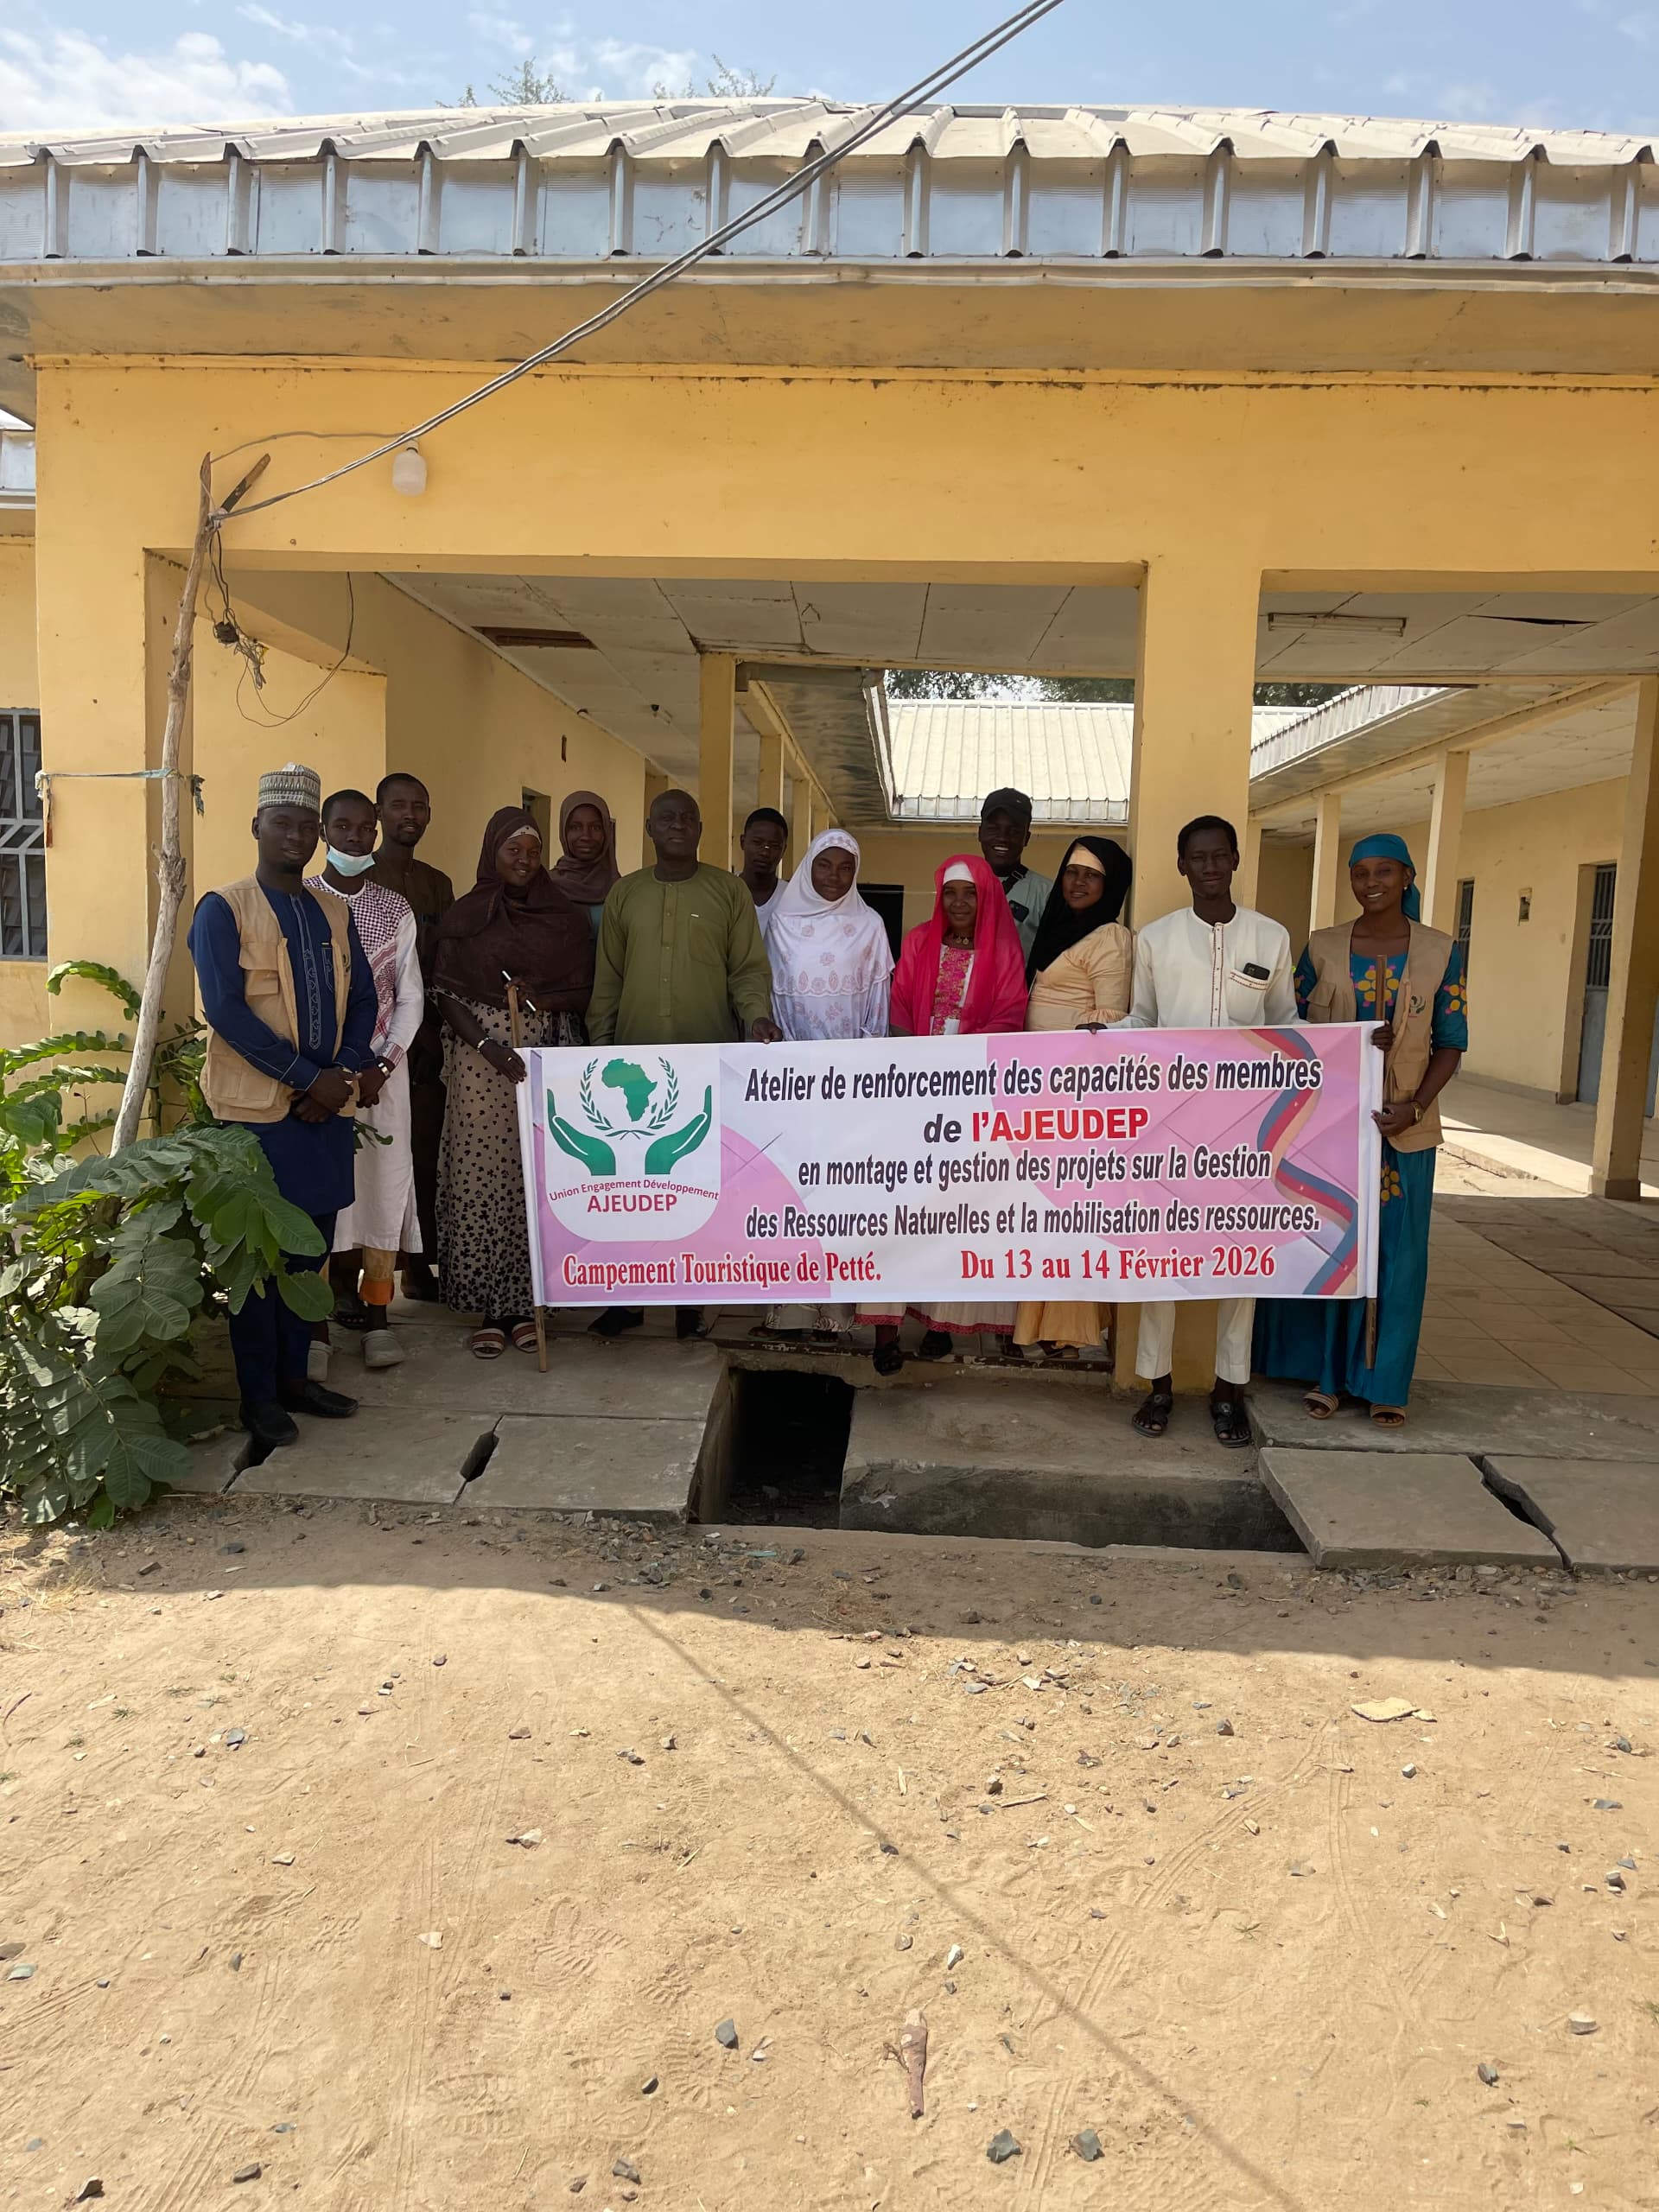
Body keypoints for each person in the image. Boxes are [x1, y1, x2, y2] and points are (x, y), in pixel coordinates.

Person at [188, 762, 377, 1451]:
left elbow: (363, 1000)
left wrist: (343, 1073)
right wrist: (306, 1078)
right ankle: (259, 1396)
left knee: (309, 1255)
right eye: (283, 824)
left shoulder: (334, 910)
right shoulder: (223, 908)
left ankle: (297, 1381)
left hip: (325, 1115)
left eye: (306, 826)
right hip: (259, 1121)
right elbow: (228, 1014)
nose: (296, 837)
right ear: (257, 828)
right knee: (259, 1264)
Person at [1255, 833, 1467, 1427]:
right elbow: (1291, 1028)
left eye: (1383, 872)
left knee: (1397, 1258)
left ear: (1406, 877)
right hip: (1332, 1129)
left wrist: (1417, 1107)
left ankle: (1385, 1384)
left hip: (1405, 1133)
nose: (1371, 882)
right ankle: (1327, 1376)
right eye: (1360, 873)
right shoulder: (1321, 948)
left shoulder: (1440, 951)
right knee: (1333, 1246)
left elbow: (1451, 1044)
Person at [1114, 814, 1297, 1447]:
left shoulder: (1270, 937)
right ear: (1181, 864)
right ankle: (1158, 1385)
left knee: (1239, 1257)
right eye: (1199, 857)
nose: (1211, 867)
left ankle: (1228, 1390)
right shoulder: (1157, 940)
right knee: (1163, 1252)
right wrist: (1098, 1041)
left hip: (1247, 1127)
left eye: (1221, 856)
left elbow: (1288, 1027)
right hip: (1172, 1120)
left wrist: (1358, 1047)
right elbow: (1141, 1020)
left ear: (1236, 859)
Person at [587, 787, 781, 1340]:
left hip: (705, 1064)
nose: (676, 825)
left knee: (695, 1184)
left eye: (687, 818)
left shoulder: (728, 892)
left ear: (700, 829)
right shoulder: (625, 896)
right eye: (665, 818)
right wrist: (600, 1052)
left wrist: (756, 1017)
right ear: (650, 829)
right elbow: (610, 981)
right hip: (633, 1068)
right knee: (632, 1185)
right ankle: (627, 1298)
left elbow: (746, 969)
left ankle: (691, 1300)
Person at [433, 805, 594, 1359]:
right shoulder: (464, 916)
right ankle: (491, 1308)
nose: (525, 862)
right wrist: (487, 1045)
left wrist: (541, 997)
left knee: (542, 1178)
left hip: (547, 1053)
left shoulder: (566, 918)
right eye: (512, 851)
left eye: (532, 851)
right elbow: (447, 995)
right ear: (491, 854)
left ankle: (534, 1305)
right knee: (489, 1179)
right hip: (483, 1063)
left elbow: (584, 989)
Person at [864, 855, 1027, 1373]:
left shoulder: (1003, 951)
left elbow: (1011, 1016)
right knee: (896, 1203)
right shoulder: (917, 942)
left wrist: (961, 1053)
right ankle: (885, 1330)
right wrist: (915, 1066)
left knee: (955, 1209)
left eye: (970, 893)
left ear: (986, 898)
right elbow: (899, 1010)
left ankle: (939, 1320)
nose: (959, 904)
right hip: (911, 1091)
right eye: (950, 893)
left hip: (972, 1092)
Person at [304, 789, 425, 1376]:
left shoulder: (394, 909)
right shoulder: (300, 902)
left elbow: (410, 998)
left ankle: (379, 1321)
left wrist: (380, 1065)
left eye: (365, 828)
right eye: (344, 827)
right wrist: (323, 1074)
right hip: (317, 1081)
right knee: (321, 1197)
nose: (356, 838)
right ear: (324, 831)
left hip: (382, 1078)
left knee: (381, 1191)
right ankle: (316, 1328)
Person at [758, 830, 894, 1341]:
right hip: (791, 1082)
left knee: (840, 1196)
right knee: (790, 1195)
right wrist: (789, 1065)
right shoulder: (781, 924)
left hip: (849, 1085)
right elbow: (768, 998)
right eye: (824, 866)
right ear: (808, 867)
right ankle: (788, 1309)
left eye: (845, 868)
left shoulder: (870, 925)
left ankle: (834, 1311)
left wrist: (862, 1072)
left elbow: (877, 1009)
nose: (834, 877)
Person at [1014, 836, 1135, 1361]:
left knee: (1066, 1213)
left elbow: (1112, 1017)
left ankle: (1068, 1329)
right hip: (1036, 1092)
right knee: (1038, 1212)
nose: (1078, 883)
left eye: (1092, 876)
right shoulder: (1056, 930)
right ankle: (1037, 1323)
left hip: (1076, 1098)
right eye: (1072, 873)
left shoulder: (1110, 937)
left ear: (1111, 888)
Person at [368, 772, 454, 1302]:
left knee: (423, 1152)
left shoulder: (437, 884)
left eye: (419, 806)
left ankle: (418, 1265)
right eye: (398, 806)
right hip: (369, 1043)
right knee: (368, 1160)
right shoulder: (358, 878)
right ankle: (355, 1275)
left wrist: (430, 1038)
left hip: (425, 1044)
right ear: (379, 814)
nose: (410, 815)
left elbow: (443, 962)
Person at [979, 786, 1054, 962]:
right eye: (993, 829)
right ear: (980, 832)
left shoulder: (1046, 894)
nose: (1003, 838)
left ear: (1026, 838)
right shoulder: (960, 884)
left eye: (1014, 831)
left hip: (1020, 988)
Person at [552, 789, 620, 940]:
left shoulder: (620, 890)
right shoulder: (545, 886)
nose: (586, 836)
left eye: (596, 827)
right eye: (575, 827)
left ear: (606, 833)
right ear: (564, 831)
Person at [737, 806, 790, 944]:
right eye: (757, 843)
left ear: (784, 850)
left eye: (774, 845)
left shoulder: (792, 897)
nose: (765, 852)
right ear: (743, 842)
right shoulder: (724, 892)